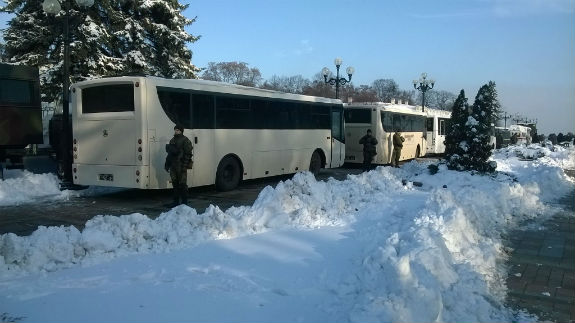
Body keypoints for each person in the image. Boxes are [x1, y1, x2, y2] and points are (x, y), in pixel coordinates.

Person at [164, 124, 193, 207]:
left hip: (181, 165)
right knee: (175, 184)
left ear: (181, 131)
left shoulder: (185, 140)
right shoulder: (172, 140)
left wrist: (184, 166)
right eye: (175, 130)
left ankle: (184, 202)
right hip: (173, 166)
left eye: (177, 130)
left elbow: (188, 154)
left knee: (183, 184)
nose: (176, 131)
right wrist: (167, 164)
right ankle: (176, 202)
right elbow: (170, 154)